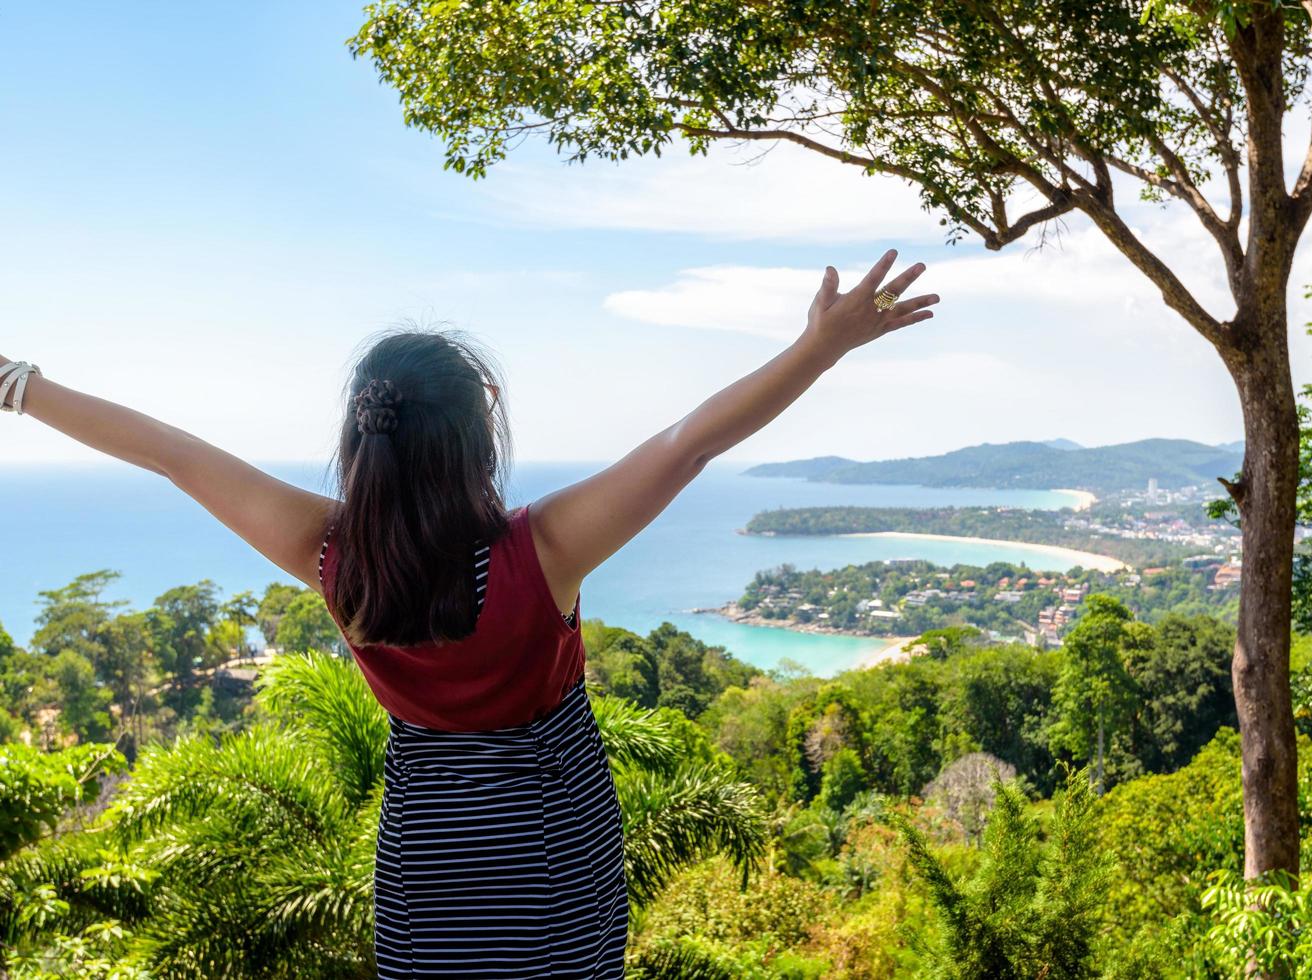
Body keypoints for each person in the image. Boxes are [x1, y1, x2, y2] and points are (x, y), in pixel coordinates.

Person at [0, 248, 937, 978]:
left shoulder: (333, 559)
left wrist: (20, 386)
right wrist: (819, 346)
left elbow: (172, 453)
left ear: (362, 441)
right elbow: (689, 445)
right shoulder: (542, 553)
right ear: (481, 430)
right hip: (556, 863)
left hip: (425, 870)